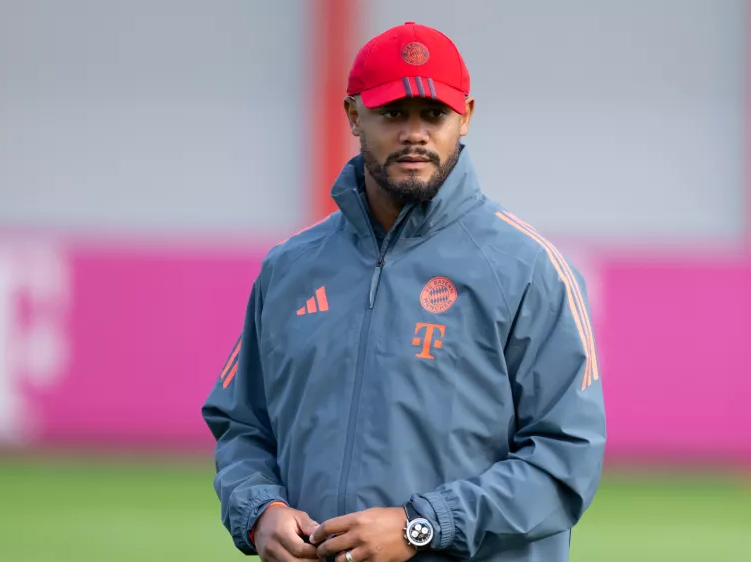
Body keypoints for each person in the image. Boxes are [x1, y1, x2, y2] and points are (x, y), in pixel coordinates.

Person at [202, 21, 606, 562]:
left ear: (465, 117)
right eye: (393, 113)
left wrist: (423, 526)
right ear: (352, 116)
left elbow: (565, 462)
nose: (414, 133)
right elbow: (243, 425)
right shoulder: (289, 268)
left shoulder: (531, 269)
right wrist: (259, 511)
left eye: (433, 114)